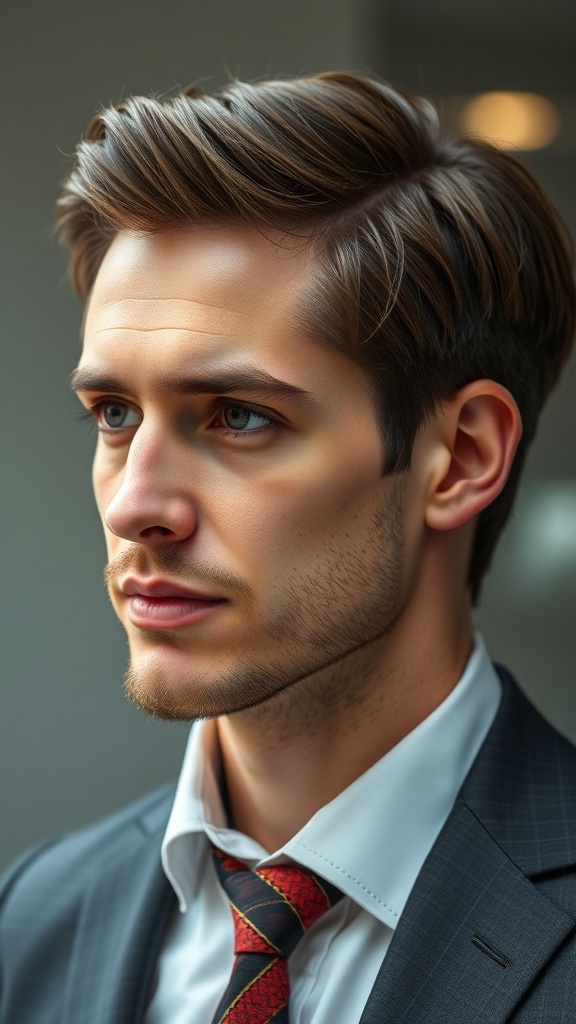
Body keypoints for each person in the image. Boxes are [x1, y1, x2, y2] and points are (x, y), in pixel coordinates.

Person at [1, 70, 575, 1024]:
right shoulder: (33, 924)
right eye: (113, 413)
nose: (136, 504)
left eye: (236, 416)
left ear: (460, 458)